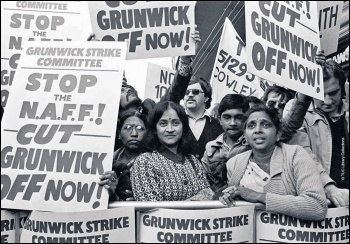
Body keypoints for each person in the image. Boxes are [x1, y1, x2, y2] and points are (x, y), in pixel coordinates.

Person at [219, 105, 327, 221]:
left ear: (278, 134)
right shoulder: (234, 163)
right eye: (251, 126)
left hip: (290, 235)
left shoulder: (295, 155)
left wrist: (258, 196)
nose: (258, 130)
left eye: (265, 125)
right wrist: (228, 197)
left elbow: (317, 206)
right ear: (245, 135)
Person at [284, 56, 349, 207]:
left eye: (333, 93)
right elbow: (303, 154)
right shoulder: (295, 111)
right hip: (319, 199)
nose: (327, 101)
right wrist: (329, 188)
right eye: (319, 94)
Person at [131, 101, 214, 201]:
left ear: (183, 127)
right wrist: (193, 202)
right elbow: (150, 208)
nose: (170, 129)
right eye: (163, 123)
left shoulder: (193, 161)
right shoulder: (145, 161)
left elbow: (208, 194)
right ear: (154, 129)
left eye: (175, 123)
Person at [202, 94, 250, 191]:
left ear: (246, 119)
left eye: (238, 117)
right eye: (227, 117)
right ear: (219, 119)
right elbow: (203, 181)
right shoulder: (211, 149)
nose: (232, 123)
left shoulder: (253, 145)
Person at [98, 110, 148, 201]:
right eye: (128, 128)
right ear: (119, 134)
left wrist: (141, 199)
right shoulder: (106, 160)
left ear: (147, 134)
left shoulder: (153, 163)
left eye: (140, 128)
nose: (134, 134)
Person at [183, 76, 223, 160]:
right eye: (186, 92)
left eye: (195, 92)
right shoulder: (176, 122)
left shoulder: (219, 125)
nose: (190, 95)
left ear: (206, 98)